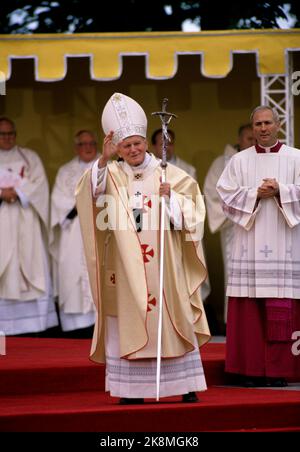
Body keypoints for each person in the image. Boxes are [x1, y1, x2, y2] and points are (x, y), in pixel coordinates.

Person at [76, 93, 210, 404]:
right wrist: (103, 159)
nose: (133, 149)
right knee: (129, 318)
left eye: (137, 143)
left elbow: (195, 215)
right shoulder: (111, 173)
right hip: (125, 267)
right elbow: (89, 194)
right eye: (126, 146)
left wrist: (171, 200)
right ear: (117, 148)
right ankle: (131, 391)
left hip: (164, 264)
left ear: (146, 143)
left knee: (171, 317)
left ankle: (183, 385)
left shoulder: (170, 175)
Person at [216, 106, 300, 387]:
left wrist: (282, 191)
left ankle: (278, 372)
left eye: (268, 123)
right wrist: (255, 194)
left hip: (285, 243)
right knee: (249, 309)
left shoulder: (295, 157)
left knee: (281, 307)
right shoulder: (239, 161)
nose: (263, 128)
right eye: (257, 124)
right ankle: (248, 370)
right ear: (252, 128)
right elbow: (224, 196)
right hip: (249, 246)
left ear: (278, 125)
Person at [0, 116, 58, 335]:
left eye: (10, 133)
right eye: (2, 134)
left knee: (31, 262)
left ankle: (32, 326)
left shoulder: (29, 157)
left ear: (15, 135)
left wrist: (17, 192)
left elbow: (40, 186)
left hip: (26, 221)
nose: (7, 138)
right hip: (2, 220)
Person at [152, 128, 211, 302]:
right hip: (158, 229)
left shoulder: (188, 170)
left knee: (186, 276)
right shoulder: (149, 170)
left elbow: (193, 202)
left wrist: (173, 199)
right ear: (154, 146)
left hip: (184, 229)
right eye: (162, 144)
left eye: (169, 143)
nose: (166, 148)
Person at [204, 124, 254, 322]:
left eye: (255, 138)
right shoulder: (222, 163)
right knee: (236, 276)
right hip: (234, 227)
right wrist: (243, 203)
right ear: (240, 139)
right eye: (249, 138)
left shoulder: (265, 159)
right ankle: (234, 322)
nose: (253, 142)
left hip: (261, 228)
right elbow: (212, 193)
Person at [50, 130, 98, 337]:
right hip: (74, 232)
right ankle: (76, 329)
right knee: (73, 272)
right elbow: (58, 201)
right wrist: (81, 204)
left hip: (101, 228)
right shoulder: (65, 171)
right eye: (83, 144)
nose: (87, 147)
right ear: (75, 147)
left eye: (91, 143)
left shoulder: (110, 168)